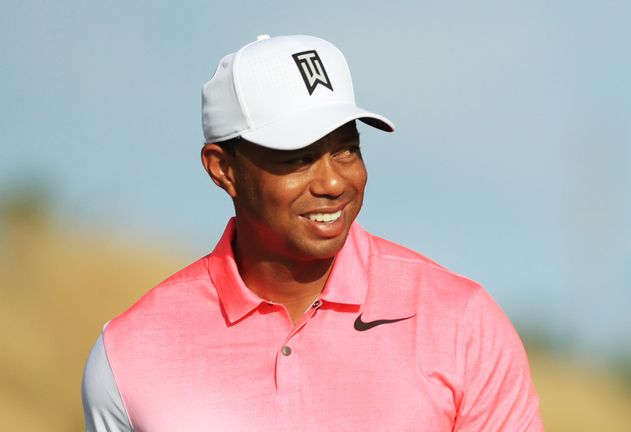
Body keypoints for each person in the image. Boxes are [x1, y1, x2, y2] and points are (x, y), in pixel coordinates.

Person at [81, 34, 543, 431]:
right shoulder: (128, 353)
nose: (333, 183)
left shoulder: (461, 323)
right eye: (296, 157)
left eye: (346, 150)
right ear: (223, 169)